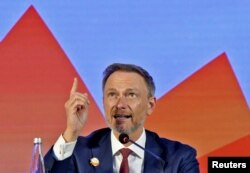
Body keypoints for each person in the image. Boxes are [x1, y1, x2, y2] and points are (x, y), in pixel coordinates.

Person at [44, 63, 200, 173]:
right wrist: (71, 131)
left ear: (150, 105)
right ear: (103, 102)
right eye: (112, 95)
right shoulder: (78, 152)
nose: (120, 104)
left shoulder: (179, 157)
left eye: (131, 95)